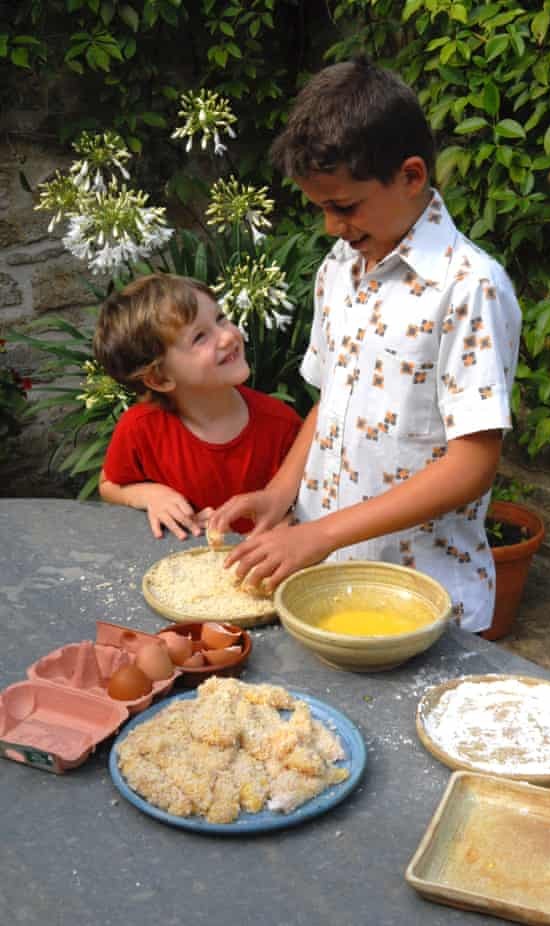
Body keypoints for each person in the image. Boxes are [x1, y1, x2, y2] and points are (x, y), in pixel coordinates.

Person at [209, 58, 521, 634]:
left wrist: (321, 533)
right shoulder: (339, 267)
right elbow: (330, 398)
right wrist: (280, 496)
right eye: (321, 207)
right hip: (322, 578)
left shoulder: (468, 287)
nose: (331, 226)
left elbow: (472, 465)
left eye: (344, 206)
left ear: (410, 176)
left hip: (422, 596)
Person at [95, 273, 303, 539]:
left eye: (220, 318)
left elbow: (302, 506)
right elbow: (109, 485)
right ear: (160, 378)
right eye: (199, 337)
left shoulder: (281, 425)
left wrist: (273, 534)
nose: (227, 336)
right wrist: (151, 495)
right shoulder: (139, 429)